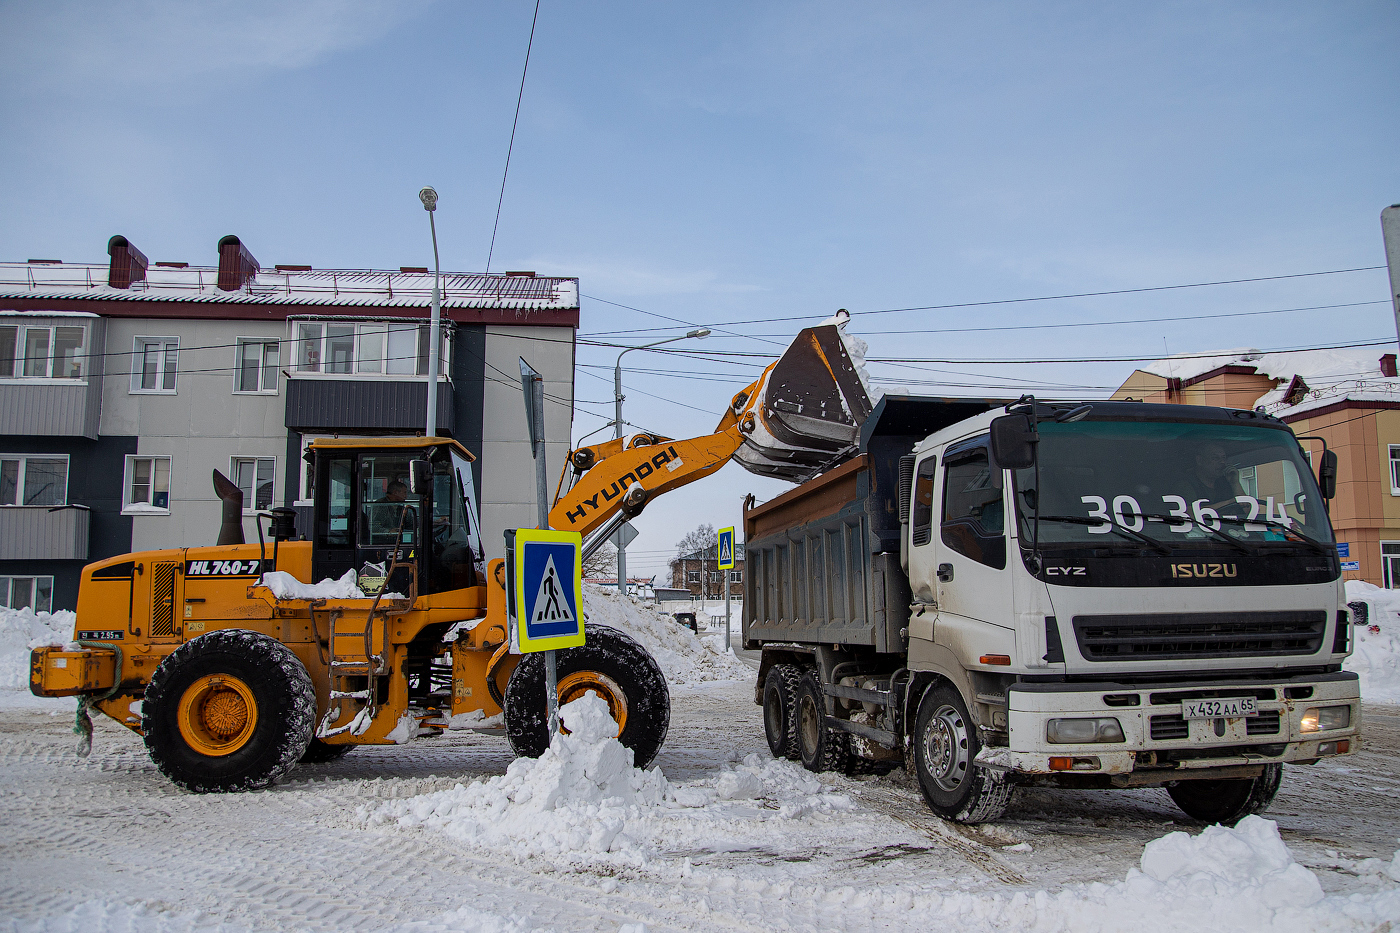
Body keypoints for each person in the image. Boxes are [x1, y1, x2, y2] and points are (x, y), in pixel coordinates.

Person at [1185, 442, 1244, 508]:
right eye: (1215, 458)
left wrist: (1235, 483)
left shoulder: (1225, 483)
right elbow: (1189, 514)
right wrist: (1229, 503)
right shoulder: (1186, 486)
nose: (1222, 462)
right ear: (1200, 460)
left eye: (1223, 458)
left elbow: (1247, 510)